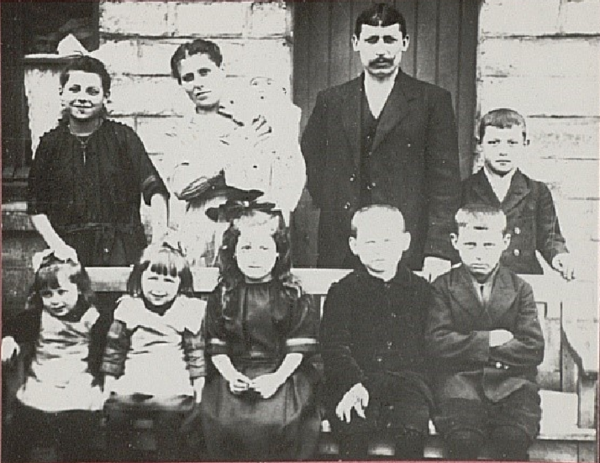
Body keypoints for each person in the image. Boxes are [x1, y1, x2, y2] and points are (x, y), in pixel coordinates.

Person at [301, 3, 461, 280]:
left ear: (405, 43)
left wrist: (438, 250)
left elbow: (445, 183)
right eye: (372, 40)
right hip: (342, 245)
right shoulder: (331, 101)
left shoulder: (432, 101)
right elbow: (311, 161)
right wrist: (339, 204)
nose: (382, 50)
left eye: (390, 40)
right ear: (355, 43)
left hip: (407, 248)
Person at [167, 39, 305, 266]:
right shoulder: (181, 131)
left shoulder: (253, 117)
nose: (198, 84)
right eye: (188, 78)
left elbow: (285, 175)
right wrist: (234, 154)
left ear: (222, 71)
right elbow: (182, 186)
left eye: (204, 72)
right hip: (203, 229)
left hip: (254, 228)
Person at [200, 208, 321, 460]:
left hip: (283, 372)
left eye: (264, 249)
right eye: (246, 248)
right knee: (221, 420)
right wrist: (231, 376)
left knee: (279, 421)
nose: (254, 257)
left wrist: (276, 378)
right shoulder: (224, 294)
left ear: (278, 253)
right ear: (234, 252)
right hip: (234, 370)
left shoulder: (292, 294)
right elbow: (217, 345)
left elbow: (297, 349)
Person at [426, 204, 544, 460]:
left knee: (512, 437)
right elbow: (437, 343)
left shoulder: (520, 288)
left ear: (505, 241)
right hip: (458, 384)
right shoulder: (443, 287)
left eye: (488, 245)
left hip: (513, 385)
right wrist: (490, 340)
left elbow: (533, 347)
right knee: (463, 439)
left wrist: (467, 346)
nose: (479, 254)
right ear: (455, 242)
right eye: (470, 245)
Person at [27, 55, 169, 267]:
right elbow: (36, 207)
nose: (82, 98)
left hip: (122, 251)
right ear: (61, 94)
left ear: (106, 97)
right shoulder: (50, 144)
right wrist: (59, 247)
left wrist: (158, 243)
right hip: (69, 255)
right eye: (74, 89)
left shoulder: (123, 137)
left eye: (92, 91)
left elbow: (154, 189)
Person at [320, 205, 434, 460]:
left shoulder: (421, 291)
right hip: (354, 381)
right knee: (353, 426)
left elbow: (428, 346)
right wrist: (353, 382)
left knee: (410, 429)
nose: (379, 250)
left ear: (405, 242)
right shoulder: (343, 291)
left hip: (407, 384)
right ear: (354, 245)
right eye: (370, 242)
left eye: (387, 241)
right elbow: (334, 346)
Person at [1, 251, 110, 462]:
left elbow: (113, 343)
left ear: (79, 289)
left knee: (76, 425)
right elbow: (12, 326)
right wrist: (8, 339)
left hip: (78, 379)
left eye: (62, 292)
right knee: (22, 423)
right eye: (47, 294)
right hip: (43, 378)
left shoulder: (94, 318)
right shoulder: (37, 316)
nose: (55, 301)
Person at [101, 243, 205, 461]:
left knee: (170, 424)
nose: (159, 288)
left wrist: (199, 388)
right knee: (116, 418)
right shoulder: (129, 308)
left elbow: (196, 353)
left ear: (181, 284)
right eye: (152, 279)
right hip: (135, 378)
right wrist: (108, 384)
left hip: (171, 381)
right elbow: (114, 350)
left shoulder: (186, 310)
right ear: (139, 278)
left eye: (168, 280)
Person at [462, 108, 574, 279]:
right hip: (476, 280)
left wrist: (559, 255)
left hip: (523, 278)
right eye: (494, 142)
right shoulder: (464, 190)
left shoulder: (537, 191)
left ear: (525, 143)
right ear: (479, 144)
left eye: (512, 143)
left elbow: (550, 236)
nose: (503, 151)